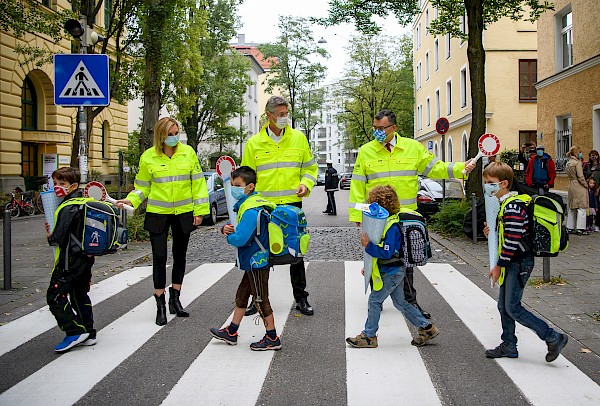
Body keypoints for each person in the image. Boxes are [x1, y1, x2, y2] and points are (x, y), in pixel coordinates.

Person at [349, 109, 475, 319]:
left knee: (406, 261)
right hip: (376, 217)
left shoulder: (412, 148)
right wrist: (356, 215)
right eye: (375, 128)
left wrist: (462, 168)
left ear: (394, 128)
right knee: (375, 256)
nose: (378, 132)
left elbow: (436, 168)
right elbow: (358, 184)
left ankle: (410, 301)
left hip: (404, 217)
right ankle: (377, 296)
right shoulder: (366, 151)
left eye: (382, 128)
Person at [117, 117, 209, 325]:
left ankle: (175, 299)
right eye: (169, 134)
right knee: (159, 257)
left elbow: (198, 184)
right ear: (160, 135)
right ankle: (160, 302)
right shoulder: (148, 157)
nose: (173, 137)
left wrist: (200, 211)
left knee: (180, 255)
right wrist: (131, 200)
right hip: (158, 213)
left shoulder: (188, 153)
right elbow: (142, 186)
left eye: (176, 133)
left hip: (184, 212)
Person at [483, 162, 568, 362]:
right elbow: (510, 234)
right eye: (485, 182)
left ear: (504, 183)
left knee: (513, 307)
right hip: (514, 261)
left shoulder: (512, 205)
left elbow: (513, 241)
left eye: (490, 182)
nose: (486, 186)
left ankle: (553, 337)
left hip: (517, 263)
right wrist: (492, 232)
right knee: (504, 307)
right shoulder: (508, 203)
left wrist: (498, 266)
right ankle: (509, 345)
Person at [241, 96, 318, 316]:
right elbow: (247, 177)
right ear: (269, 116)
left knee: (296, 253)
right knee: (258, 252)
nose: (285, 118)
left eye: (286, 113)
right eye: (280, 114)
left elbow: (310, 169)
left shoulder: (298, 139)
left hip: (292, 206)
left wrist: (305, 183)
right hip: (263, 208)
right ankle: (255, 299)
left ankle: (301, 299)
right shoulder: (254, 143)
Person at [346, 185, 439, 349]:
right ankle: (427, 328)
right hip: (392, 270)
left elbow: (387, 252)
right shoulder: (387, 222)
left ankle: (369, 336)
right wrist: (368, 266)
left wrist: (368, 246)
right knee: (401, 302)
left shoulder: (391, 226)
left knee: (375, 301)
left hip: (392, 271)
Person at [210, 166, 282, 351]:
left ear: (249, 187)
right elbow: (239, 228)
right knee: (242, 295)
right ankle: (232, 331)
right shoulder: (251, 204)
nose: (234, 188)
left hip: (256, 262)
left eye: (237, 185)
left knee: (260, 299)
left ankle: (272, 337)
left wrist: (228, 236)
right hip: (253, 261)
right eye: (233, 184)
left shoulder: (251, 210)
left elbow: (240, 238)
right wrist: (226, 228)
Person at [44, 167, 96, 352]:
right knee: (79, 294)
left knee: (55, 296)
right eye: (55, 183)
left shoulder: (68, 207)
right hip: (85, 259)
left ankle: (73, 331)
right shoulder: (86, 202)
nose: (57, 187)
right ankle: (89, 332)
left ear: (73, 185)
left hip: (69, 261)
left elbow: (57, 239)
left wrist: (49, 235)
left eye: (62, 184)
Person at [565, 146, 590, 235]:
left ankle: (570, 227)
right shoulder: (577, 163)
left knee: (572, 207)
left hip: (571, 185)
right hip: (578, 185)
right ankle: (580, 228)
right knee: (581, 207)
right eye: (579, 152)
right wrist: (585, 185)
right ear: (576, 153)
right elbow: (580, 176)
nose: (581, 154)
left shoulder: (568, 163)